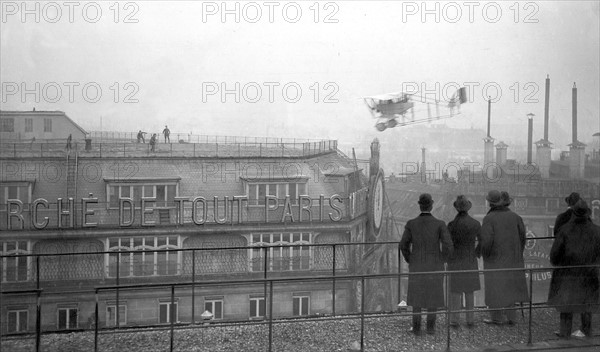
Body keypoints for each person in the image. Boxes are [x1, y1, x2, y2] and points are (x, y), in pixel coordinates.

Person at [400, 193, 453, 335]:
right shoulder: (440, 224)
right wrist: (442, 259)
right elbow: (448, 245)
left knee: (416, 298)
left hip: (417, 266)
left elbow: (403, 245)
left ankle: (416, 328)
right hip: (435, 266)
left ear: (419, 205)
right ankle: (431, 328)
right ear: (431, 205)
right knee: (433, 296)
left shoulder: (411, 224)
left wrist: (410, 259)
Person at [548, 199, 600, 338]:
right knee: (586, 305)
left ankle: (565, 333)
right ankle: (586, 332)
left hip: (568, 274)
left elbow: (554, 256)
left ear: (574, 214)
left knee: (566, 305)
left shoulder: (564, 230)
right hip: (590, 274)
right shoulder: (597, 231)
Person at [480, 190, 528, 325]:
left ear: (490, 203)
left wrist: (486, 256)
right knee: (511, 288)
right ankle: (512, 318)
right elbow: (522, 239)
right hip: (513, 259)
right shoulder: (516, 217)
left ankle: (496, 318)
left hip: (495, 261)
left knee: (495, 288)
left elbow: (486, 242)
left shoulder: (489, 218)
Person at [447, 195, 481, 328]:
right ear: (468, 208)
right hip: (470, 260)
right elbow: (483, 241)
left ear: (456, 208)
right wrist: (476, 253)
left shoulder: (451, 225)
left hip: (456, 260)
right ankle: (470, 320)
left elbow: (448, 245)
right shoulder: (475, 224)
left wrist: (449, 258)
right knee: (469, 291)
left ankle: (454, 320)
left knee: (455, 291)